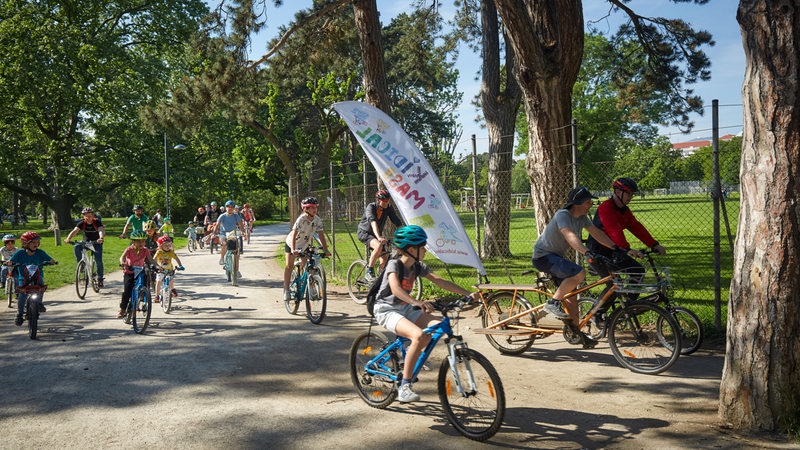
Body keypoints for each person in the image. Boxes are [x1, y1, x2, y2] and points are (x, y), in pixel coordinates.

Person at [372, 225, 479, 403]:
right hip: (386, 309)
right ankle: (405, 386)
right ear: (412, 249)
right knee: (419, 335)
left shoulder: (417, 266)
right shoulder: (394, 264)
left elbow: (439, 280)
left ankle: (410, 353)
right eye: (423, 247)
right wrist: (416, 302)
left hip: (405, 308)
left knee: (437, 326)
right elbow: (395, 289)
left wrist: (467, 294)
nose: (426, 250)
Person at [532, 187, 619, 341]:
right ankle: (552, 303)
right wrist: (586, 252)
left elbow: (596, 233)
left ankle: (576, 334)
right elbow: (570, 235)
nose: (591, 204)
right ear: (577, 203)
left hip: (555, 256)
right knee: (579, 273)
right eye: (588, 202)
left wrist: (615, 247)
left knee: (571, 296)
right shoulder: (563, 215)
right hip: (543, 257)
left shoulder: (582, 217)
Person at [586, 178, 667, 324]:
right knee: (614, 284)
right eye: (629, 193)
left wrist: (654, 244)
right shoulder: (606, 208)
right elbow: (613, 230)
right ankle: (596, 314)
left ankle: (627, 307)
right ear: (618, 192)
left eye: (632, 194)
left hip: (615, 250)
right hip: (597, 253)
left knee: (637, 271)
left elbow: (636, 227)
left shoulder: (624, 210)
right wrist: (628, 249)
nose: (631, 197)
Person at [283, 196, 330, 301]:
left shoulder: (317, 220)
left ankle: (310, 286)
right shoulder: (301, 219)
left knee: (307, 263)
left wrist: (325, 249)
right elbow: (294, 234)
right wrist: (293, 250)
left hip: (304, 245)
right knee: (289, 266)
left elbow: (321, 234)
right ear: (306, 209)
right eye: (312, 208)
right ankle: (286, 289)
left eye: (316, 207)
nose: (315, 210)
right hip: (292, 243)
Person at [8, 232, 58, 325]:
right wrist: (9, 262)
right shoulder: (20, 253)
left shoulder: (40, 253)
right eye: (32, 242)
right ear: (25, 244)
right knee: (22, 294)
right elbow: (11, 261)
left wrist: (52, 262)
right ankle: (19, 314)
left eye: (37, 242)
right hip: (23, 277)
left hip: (37, 276)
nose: (36, 244)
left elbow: (49, 259)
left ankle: (39, 303)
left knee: (41, 286)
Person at [356, 189, 402, 280]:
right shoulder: (371, 207)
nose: (386, 203)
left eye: (388, 200)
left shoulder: (388, 208)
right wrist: (379, 237)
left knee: (384, 258)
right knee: (378, 245)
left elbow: (396, 221)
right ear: (378, 200)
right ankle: (369, 272)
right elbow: (373, 223)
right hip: (364, 232)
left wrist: (405, 234)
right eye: (384, 201)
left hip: (376, 235)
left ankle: (378, 280)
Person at [65, 207, 107, 287]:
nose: (88, 217)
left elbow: (101, 230)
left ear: (93, 215)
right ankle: (81, 265)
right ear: (84, 216)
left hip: (96, 243)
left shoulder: (97, 222)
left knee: (98, 261)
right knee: (76, 246)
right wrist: (68, 238)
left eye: (89, 215)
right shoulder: (82, 223)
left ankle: (100, 278)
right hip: (86, 242)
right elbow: (74, 231)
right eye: (86, 216)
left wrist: (101, 238)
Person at [117, 230, 155, 318]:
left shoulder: (145, 250)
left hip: (140, 271)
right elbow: (122, 257)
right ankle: (122, 309)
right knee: (127, 291)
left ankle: (142, 299)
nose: (141, 243)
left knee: (144, 287)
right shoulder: (129, 249)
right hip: (130, 272)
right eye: (138, 241)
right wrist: (123, 263)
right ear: (133, 241)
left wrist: (157, 266)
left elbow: (150, 259)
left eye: (143, 241)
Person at [213, 200, 247, 278]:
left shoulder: (236, 216)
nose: (230, 209)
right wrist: (214, 234)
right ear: (226, 208)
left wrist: (244, 232)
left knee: (237, 252)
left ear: (234, 208)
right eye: (228, 207)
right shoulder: (222, 216)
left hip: (232, 234)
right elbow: (217, 225)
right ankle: (222, 258)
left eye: (232, 207)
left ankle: (237, 270)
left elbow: (241, 225)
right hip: (223, 234)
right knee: (224, 244)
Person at [153, 236, 184, 303]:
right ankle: (157, 296)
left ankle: (173, 289)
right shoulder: (159, 252)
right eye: (166, 245)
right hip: (161, 270)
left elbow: (176, 258)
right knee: (158, 281)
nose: (168, 247)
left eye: (169, 245)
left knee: (171, 280)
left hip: (169, 269)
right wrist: (155, 266)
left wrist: (180, 265)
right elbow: (154, 259)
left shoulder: (171, 252)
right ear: (161, 246)